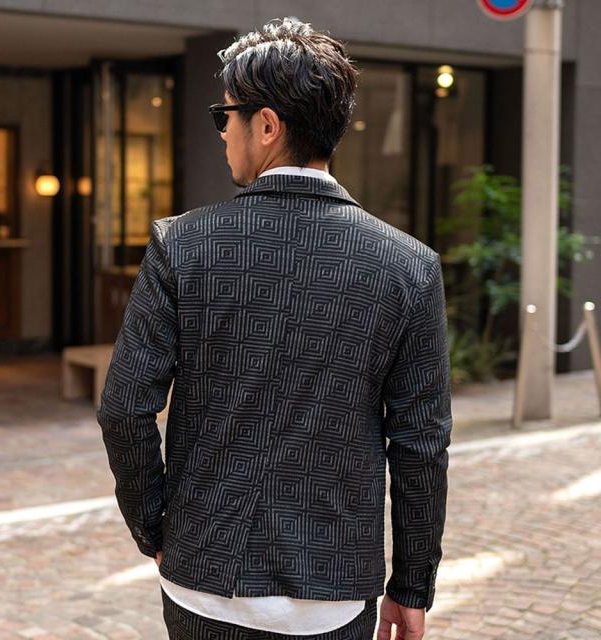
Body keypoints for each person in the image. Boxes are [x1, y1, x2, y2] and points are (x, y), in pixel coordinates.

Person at [96, 16, 452, 640]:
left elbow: (125, 408)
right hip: (334, 587)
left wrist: (156, 528)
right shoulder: (409, 266)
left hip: (204, 579)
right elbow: (420, 443)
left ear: (267, 126)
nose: (222, 133)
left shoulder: (183, 245)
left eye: (225, 115)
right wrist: (411, 584)